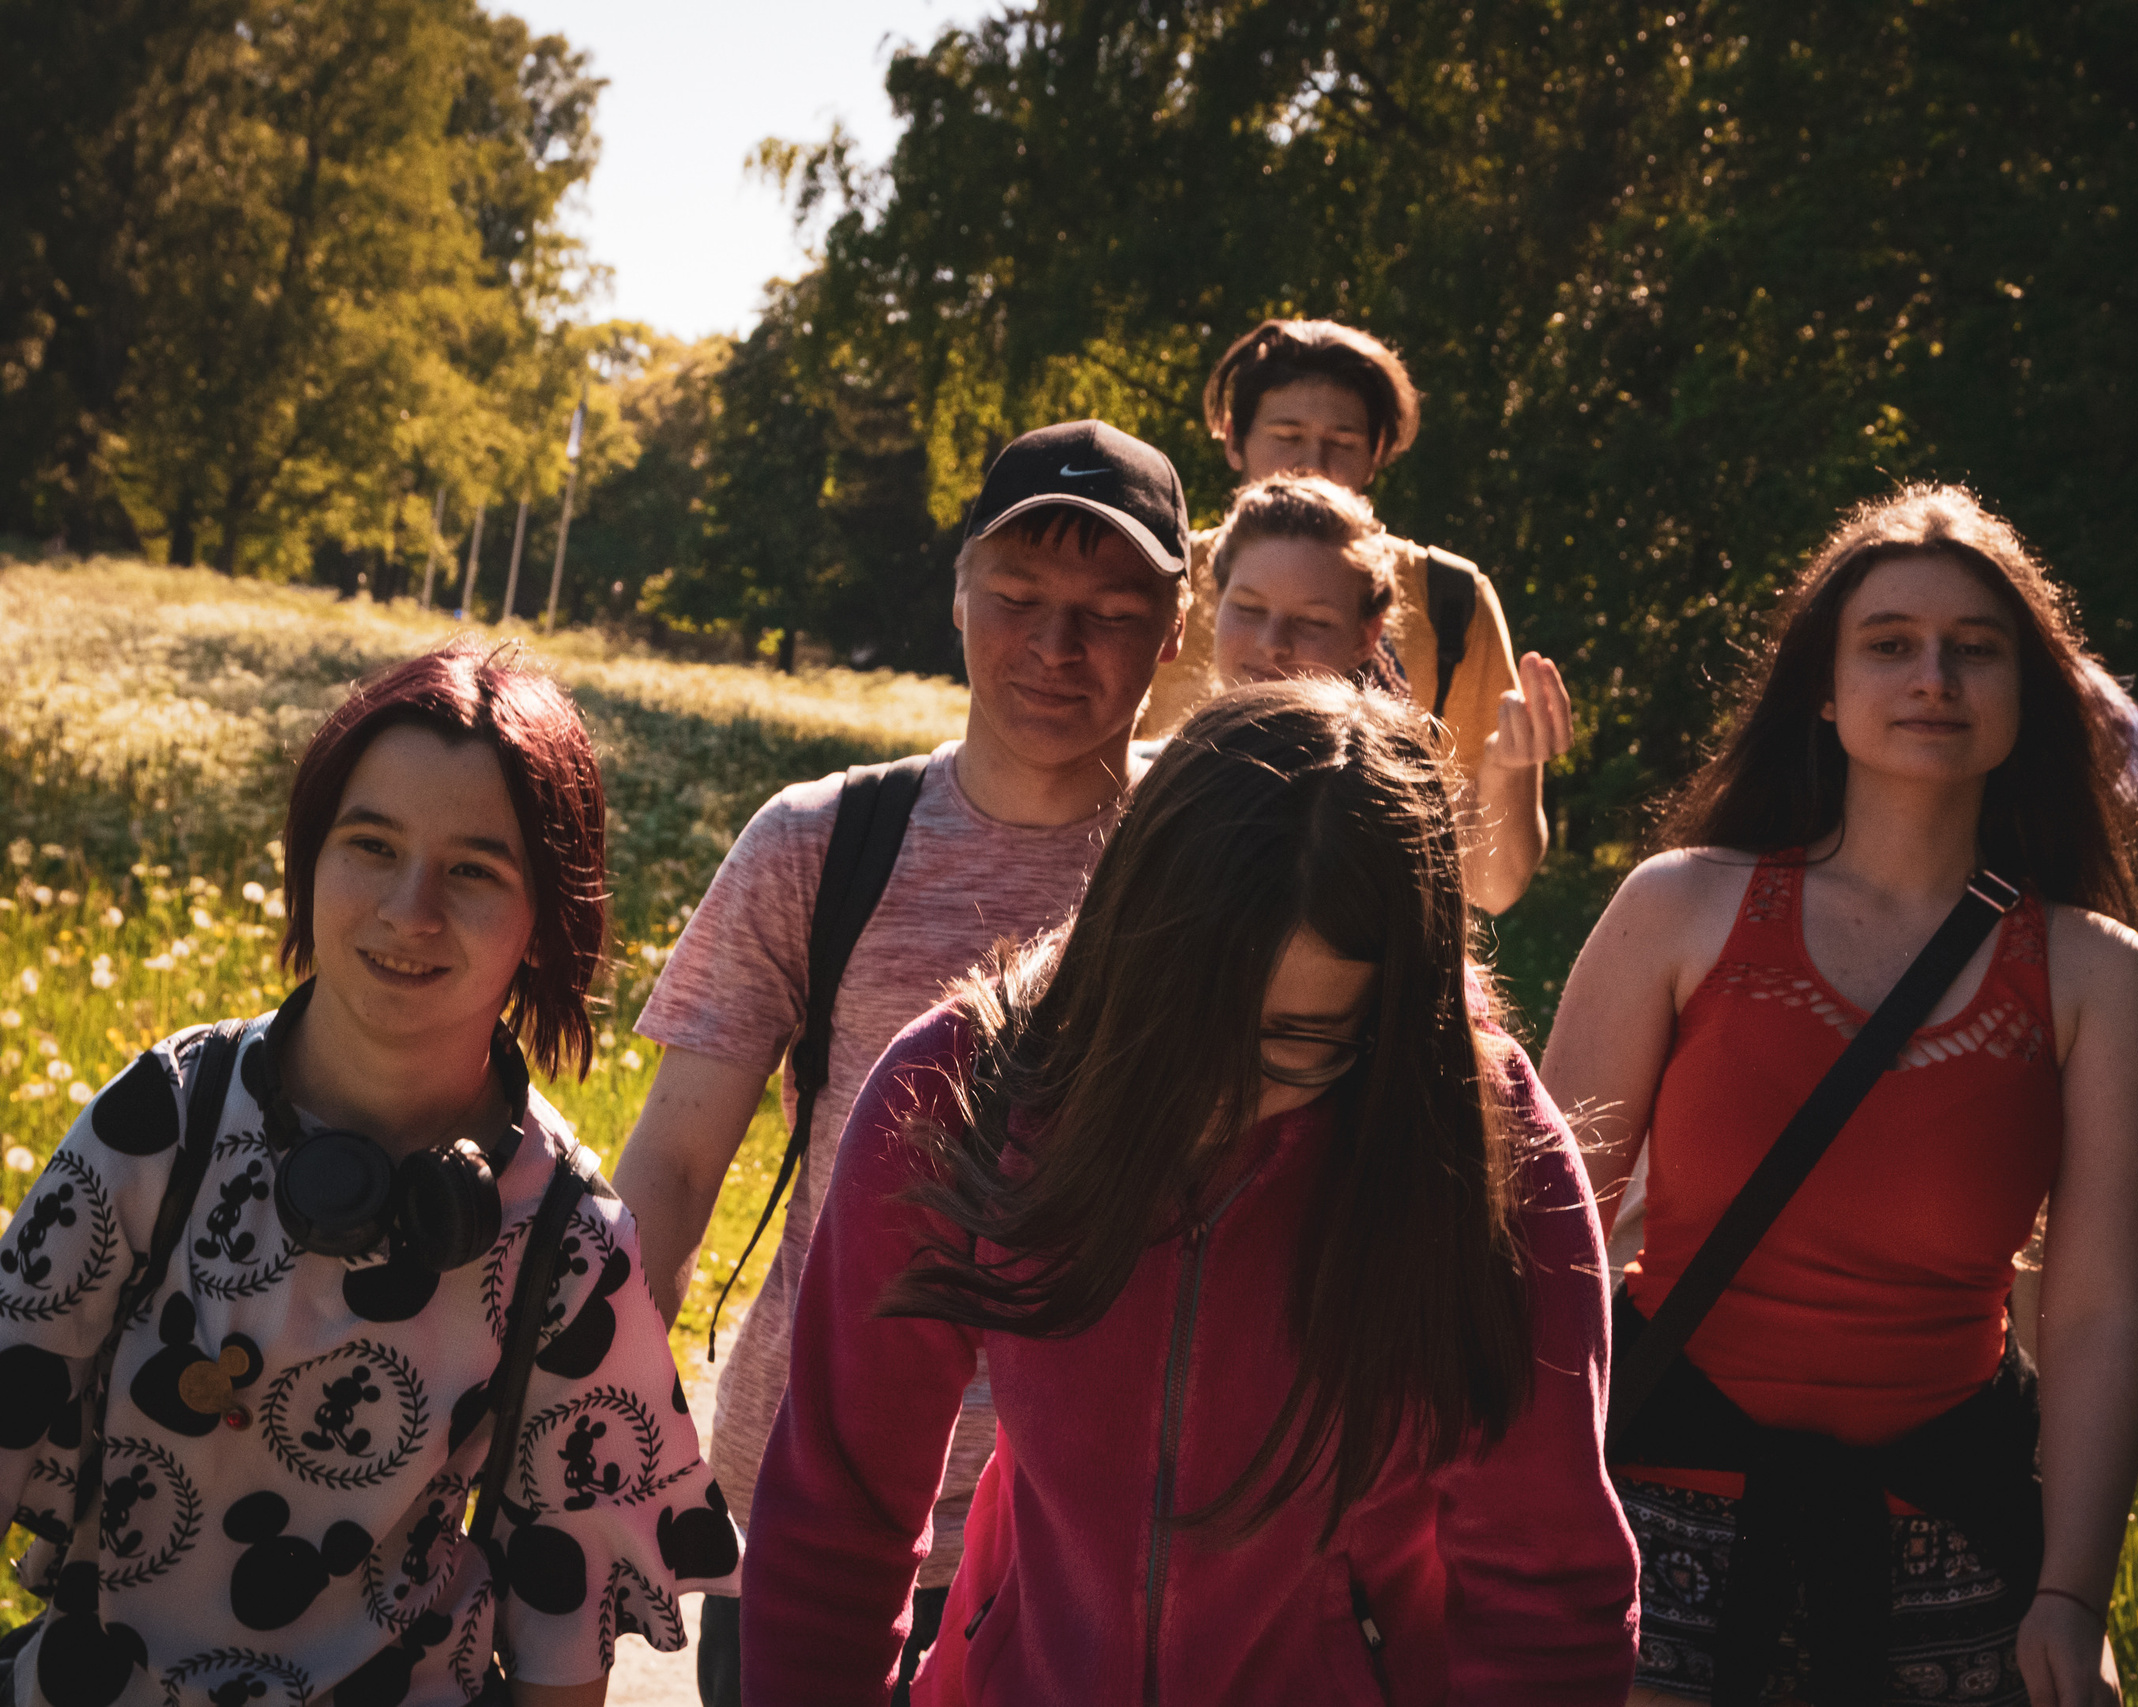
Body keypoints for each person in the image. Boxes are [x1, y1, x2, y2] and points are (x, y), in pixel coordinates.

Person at [741, 678, 1640, 1705]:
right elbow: (835, 1516)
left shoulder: (1482, 1149)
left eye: (1295, 1042)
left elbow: (1548, 1592)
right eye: (1183, 1019)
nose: (1219, 1082)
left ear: (1396, 1014)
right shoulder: (966, 1090)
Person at [0, 643, 734, 1707]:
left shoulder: (572, 1235)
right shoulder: (165, 1114)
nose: (409, 909)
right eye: (371, 845)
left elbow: (560, 1634)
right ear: (310, 860)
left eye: (475, 870)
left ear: (545, 918)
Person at [1539, 485, 2138, 1707]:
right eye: (1888, 644)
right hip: (1653, 1514)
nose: (1932, 674)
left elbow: (2096, 1316)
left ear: (2023, 696)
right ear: (1822, 693)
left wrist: (2072, 1595)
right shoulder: (1678, 907)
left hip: (1950, 1536)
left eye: (1973, 649)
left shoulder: (2096, 973)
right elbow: (1546, 1242)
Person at [611, 419, 1193, 1707]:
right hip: (812, 1498)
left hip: (1104, 1533)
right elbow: (678, 1156)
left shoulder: (1216, 872)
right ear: (957, 594)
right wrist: (599, 1435)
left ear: (1173, 625)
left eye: (1107, 610)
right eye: (1019, 598)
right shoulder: (820, 844)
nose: (1055, 647)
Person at [1138, 316, 1569, 912]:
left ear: (1377, 455)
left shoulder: (1452, 599)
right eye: (1286, 435)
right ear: (1234, 439)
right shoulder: (1160, 580)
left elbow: (1493, 890)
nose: (1311, 465)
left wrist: (1506, 771)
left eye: (1342, 443)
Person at [1206, 471, 1574, 914]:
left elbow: (1491, 892)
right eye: (1248, 608)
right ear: (1216, 601)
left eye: (1314, 622)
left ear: (1366, 637)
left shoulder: (1389, 794)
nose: (1272, 642)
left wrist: (1506, 770)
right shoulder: (1163, 773)